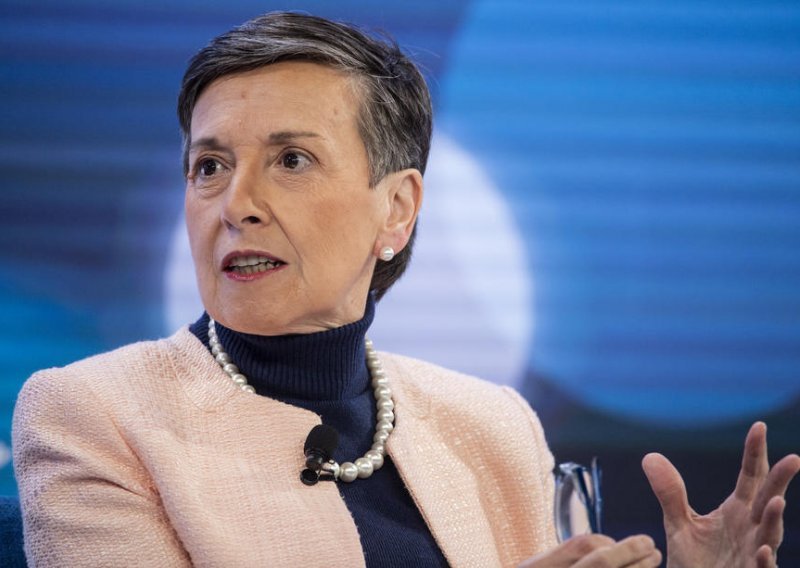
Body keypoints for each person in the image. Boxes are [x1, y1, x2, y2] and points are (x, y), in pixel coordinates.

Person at [12, 11, 799, 568]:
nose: (235, 204)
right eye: (210, 166)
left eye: (291, 160)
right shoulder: (93, 417)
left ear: (397, 209)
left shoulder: (493, 425)